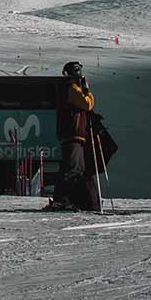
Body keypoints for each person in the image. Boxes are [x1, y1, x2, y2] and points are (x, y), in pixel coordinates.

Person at [53, 61, 96, 210]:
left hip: (72, 134)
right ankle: (61, 200)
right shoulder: (72, 88)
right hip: (73, 133)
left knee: (77, 169)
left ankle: (74, 200)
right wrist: (87, 90)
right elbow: (87, 104)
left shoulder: (67, 87)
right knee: (71, 169)